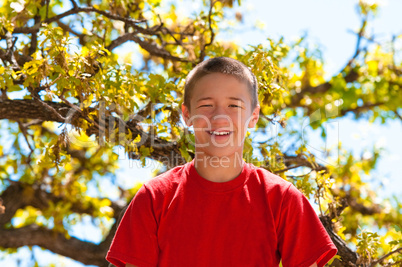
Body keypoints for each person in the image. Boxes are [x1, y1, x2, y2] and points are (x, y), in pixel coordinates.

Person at [106, 57, 338, 267]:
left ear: (254, 116)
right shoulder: (154, 197)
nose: (219, 117)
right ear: (186, 115)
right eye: (206, 105)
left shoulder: (282, 198)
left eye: (234, 105)